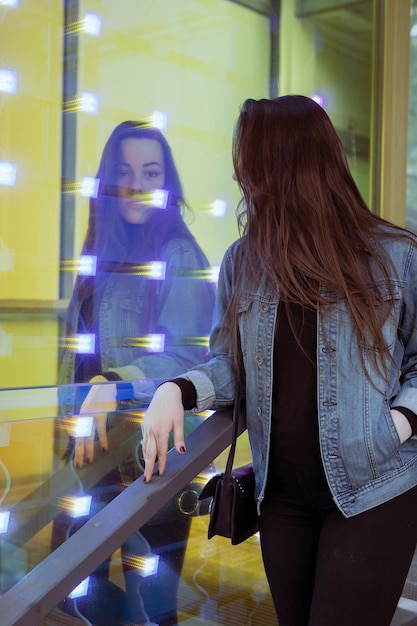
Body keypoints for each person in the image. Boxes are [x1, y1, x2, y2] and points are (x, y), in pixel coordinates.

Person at [141, 95, 417, 626]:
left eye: (252, 161)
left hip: (373, 488)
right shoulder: (243, 261)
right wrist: (174, 389)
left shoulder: (393, 254)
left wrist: (397, 426)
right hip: (281, 499)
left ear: (289, 163)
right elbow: (230, 364)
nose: (242, 175)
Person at [54, 120, 216, 626]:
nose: (136, 184)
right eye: (124, 172)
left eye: (150, 172)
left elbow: (187, 359)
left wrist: (113, 382)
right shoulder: (102, 251)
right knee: (73, 592)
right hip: (92, 454)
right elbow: (79, 353)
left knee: (155, 606)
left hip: (156, 457)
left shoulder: (180, 255)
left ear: (166, 182)